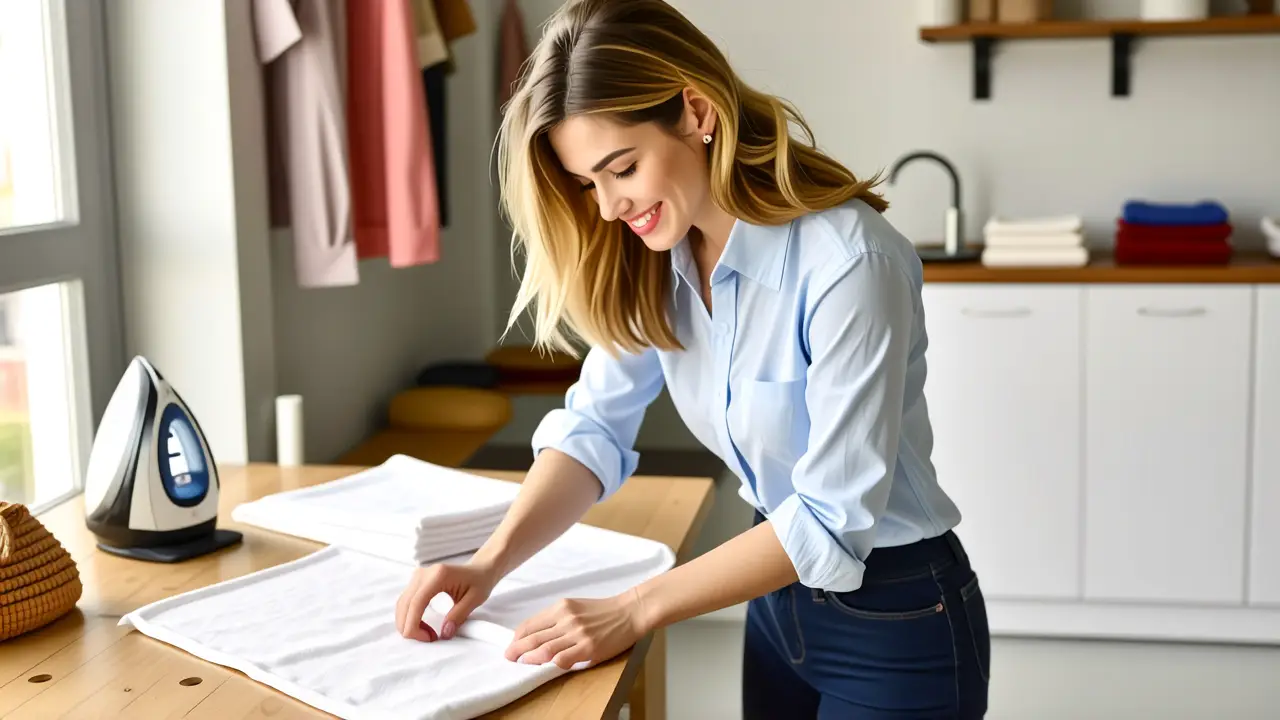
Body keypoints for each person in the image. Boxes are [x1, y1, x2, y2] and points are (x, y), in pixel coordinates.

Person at [395, 0, 990, 716]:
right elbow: (593, 431)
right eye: (589, 184)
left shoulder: (849, 262)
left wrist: (635, 609)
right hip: (774, 598)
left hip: (899, 619)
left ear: (696, 112)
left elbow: (832, 519)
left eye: (623, 168)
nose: (610, 206)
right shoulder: (655, 259)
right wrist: (487, 565)